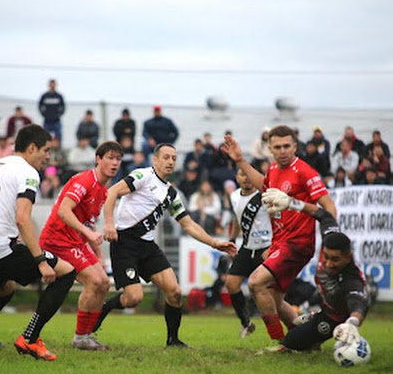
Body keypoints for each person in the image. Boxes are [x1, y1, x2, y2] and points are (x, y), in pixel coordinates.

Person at [94, 143, 237, 347]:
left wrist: (215, 242)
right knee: (134, 298)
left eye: (174, 159)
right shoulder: (143, 176)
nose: (170, 162)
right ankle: (106, 307)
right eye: (166, 157)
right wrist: (108, 224)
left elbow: (188, 224)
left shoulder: (171, 193)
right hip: (125, 243)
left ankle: (173, 340)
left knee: (175, 292)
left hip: (148, 246)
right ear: (155, 159)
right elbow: (112, 192)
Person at [0, 124, 76, 360]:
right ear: (32, 148)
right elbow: (22, 218)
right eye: (46, 150)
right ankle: (29, 339)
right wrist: (40, 261)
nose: (48, 157)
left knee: (3, 290)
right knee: (66, 272)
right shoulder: (28, 173)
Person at [221, 126, 336, 344]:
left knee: (255, 283)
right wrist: (240, 161)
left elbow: (328, 206)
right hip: (280, 242)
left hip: (297, 243)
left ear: (295, 146)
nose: (283, 151)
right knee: (274, 299)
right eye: (277, 147)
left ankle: (281, 343)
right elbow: (263, 186)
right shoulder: (273, 169)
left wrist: (330, 236)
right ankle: (305, 342)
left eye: (287, 146)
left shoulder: (305, 172)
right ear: (269, 148)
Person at [261, 188, 369, 352]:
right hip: (326, 310)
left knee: (293, 342)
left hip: (336, 318)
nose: (329, 264)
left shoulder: (351, 278)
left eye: (335, 260)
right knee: (291, 340)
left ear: (349, 256)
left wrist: (352, 323)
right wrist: (291, 203)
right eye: (326, 257)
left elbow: (359, 305)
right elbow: (323, 214)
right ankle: (314, 323)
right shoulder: (330, 236)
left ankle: (326, 330)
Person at [39, 141, 123, 351]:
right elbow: (63, 211)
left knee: (104, 282)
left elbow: (88, 224)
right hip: (57, 240)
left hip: (74, 240)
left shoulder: (102, 191)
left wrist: (98, 255)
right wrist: (87, 233)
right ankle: (80, 337)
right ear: (98, 159)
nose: (115, 163)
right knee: (95, 281)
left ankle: (86, 334)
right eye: (110, 158)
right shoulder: (84, 179)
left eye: (118, 159)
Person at [225, 168, 272, 338]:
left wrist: (274, 246)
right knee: (231, 283)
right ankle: (246, 323)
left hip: (266, 248)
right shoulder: (234, 196)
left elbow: (278, 218)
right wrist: (231, 239)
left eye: (249, 175)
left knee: (271, 293)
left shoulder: (265, 196)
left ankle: (286, 329)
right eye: (242, 175)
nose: (246, 178)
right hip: (247, 247)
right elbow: (237, 220)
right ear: (237, 178)